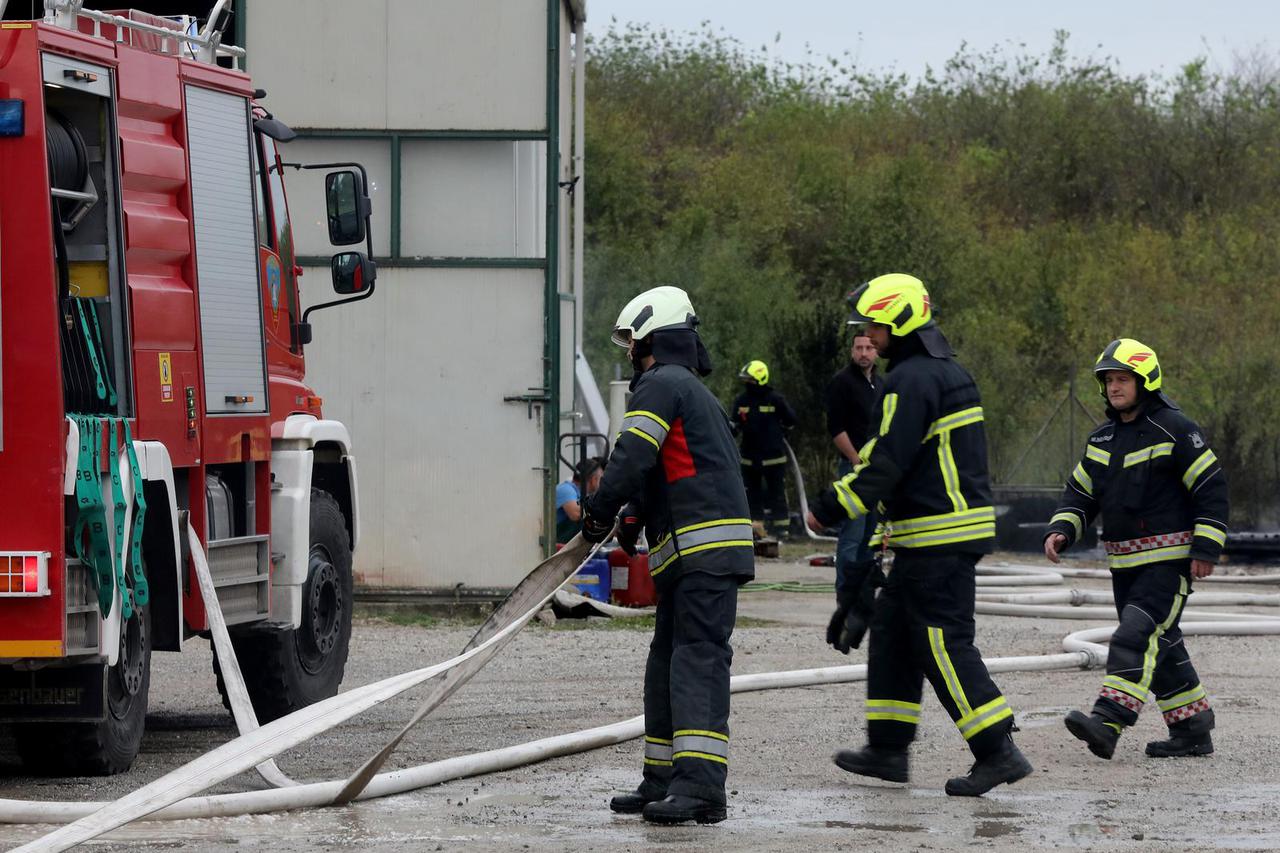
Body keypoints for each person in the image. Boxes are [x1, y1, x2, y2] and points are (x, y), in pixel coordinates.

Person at [806, 273, 1032, 797]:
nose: (869, 334)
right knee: (892, 635)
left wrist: (831, 506)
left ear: (899, 322)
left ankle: (998, 750)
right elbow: (917, 466)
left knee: (941, 643)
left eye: (874, 324)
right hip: (929, 534)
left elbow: (886, 460)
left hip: (939, 537)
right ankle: (887, 750)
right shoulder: (943, 373)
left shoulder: (909, 381)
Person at [581, 285, 754, 826]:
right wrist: (633, 514)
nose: (628, 352)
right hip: (691, 556)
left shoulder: (662, 384)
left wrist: (599, 510)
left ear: (653, 337)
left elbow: (633, 455)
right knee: (666, 663)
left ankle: (701, 786)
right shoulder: (686, 389)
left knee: (697, 658)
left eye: (632, 341)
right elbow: (668, 468)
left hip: (706, 553)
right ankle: (661, 777)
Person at [1045, 338, 1228, 760]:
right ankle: (1192, 730)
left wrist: (1206, 546)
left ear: (1145, 380)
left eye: (1122, 378)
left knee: (1135, 636)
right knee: (1161, 645)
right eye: (1108, 379)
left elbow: (1211, 489)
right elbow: (1081, 494)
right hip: (1123, 567)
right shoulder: (1102, 438)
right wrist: (1061, 530)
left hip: (1168, 564)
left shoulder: (1177, 429)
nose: (1113, 386)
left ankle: (1108, 722)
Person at [826, 328, 880, 597]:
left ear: (876, 351)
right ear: (851, 351)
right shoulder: (842, 382)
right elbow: (836, 428)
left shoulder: (882, 384)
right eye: (859, 348)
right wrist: (856, 459)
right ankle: (845, 596)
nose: (863, 353)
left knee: (872, 537)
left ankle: (865, 594)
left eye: (868, 348)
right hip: (854, 469)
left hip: (878, 473)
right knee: (852, 536)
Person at [731, 359, 798, 538]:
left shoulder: (775, 399)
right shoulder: (742, 401)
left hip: (773, 458)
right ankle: (755, 531)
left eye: (750, 380)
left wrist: (781, 433)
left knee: (777, 494)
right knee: (752, 495)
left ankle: (781, 529)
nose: (747, 383)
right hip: (749, 458)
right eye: (746, 380)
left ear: (760, 379)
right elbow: (734, 425)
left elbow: (791, 420)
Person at [554, 457, 604, 545]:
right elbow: (576, 514)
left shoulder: (582, 495)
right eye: (600, 479)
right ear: (593, 479)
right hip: (556, 547)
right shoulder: (566, 489)